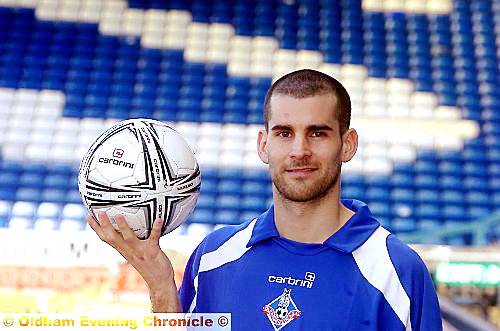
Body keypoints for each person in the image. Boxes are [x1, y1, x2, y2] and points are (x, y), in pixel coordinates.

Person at [87, 69, 442, 330]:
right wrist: (160, 283)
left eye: (318, 133)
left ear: (347, 144)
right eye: (284, 133)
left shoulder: (396, 270)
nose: (299, 150)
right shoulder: (214, 255)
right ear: (263, 145)